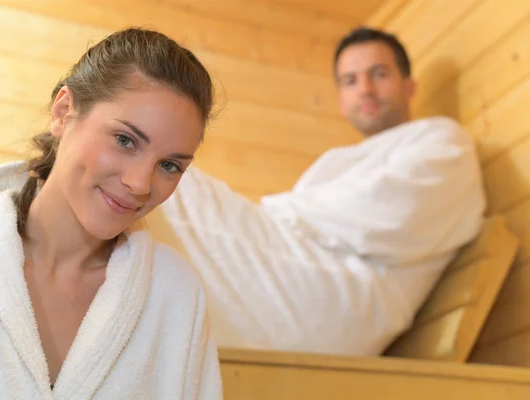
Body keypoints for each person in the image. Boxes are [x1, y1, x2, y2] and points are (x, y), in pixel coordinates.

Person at [150, 26, 487, 356]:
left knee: (174, 189)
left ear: (409, 86)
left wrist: (280, 210)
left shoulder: (441, 140)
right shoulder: (338, 161)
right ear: (342, 101)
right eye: (351, 81)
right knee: (162, 179)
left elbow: (392, 214)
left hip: (345, 298)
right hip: (304, 268)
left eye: (379, 74)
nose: (365, 88)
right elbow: (303, 224)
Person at [0, 28, 222, 399]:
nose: (140, 184)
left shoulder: (176, 295)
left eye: (169, 165)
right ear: (63, 112)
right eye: (125, 140)